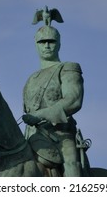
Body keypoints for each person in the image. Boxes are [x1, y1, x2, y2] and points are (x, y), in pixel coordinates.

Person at [22, 25, 84, 176]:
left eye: (51, 41)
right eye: (42, 42)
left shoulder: (68, 68)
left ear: (59, 44)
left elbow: (73, 100)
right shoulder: (31, 79)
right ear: (36, 45)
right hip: (31, 137)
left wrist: (40, 115)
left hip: (61, 136)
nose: (47, 45)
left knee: (71, 164)